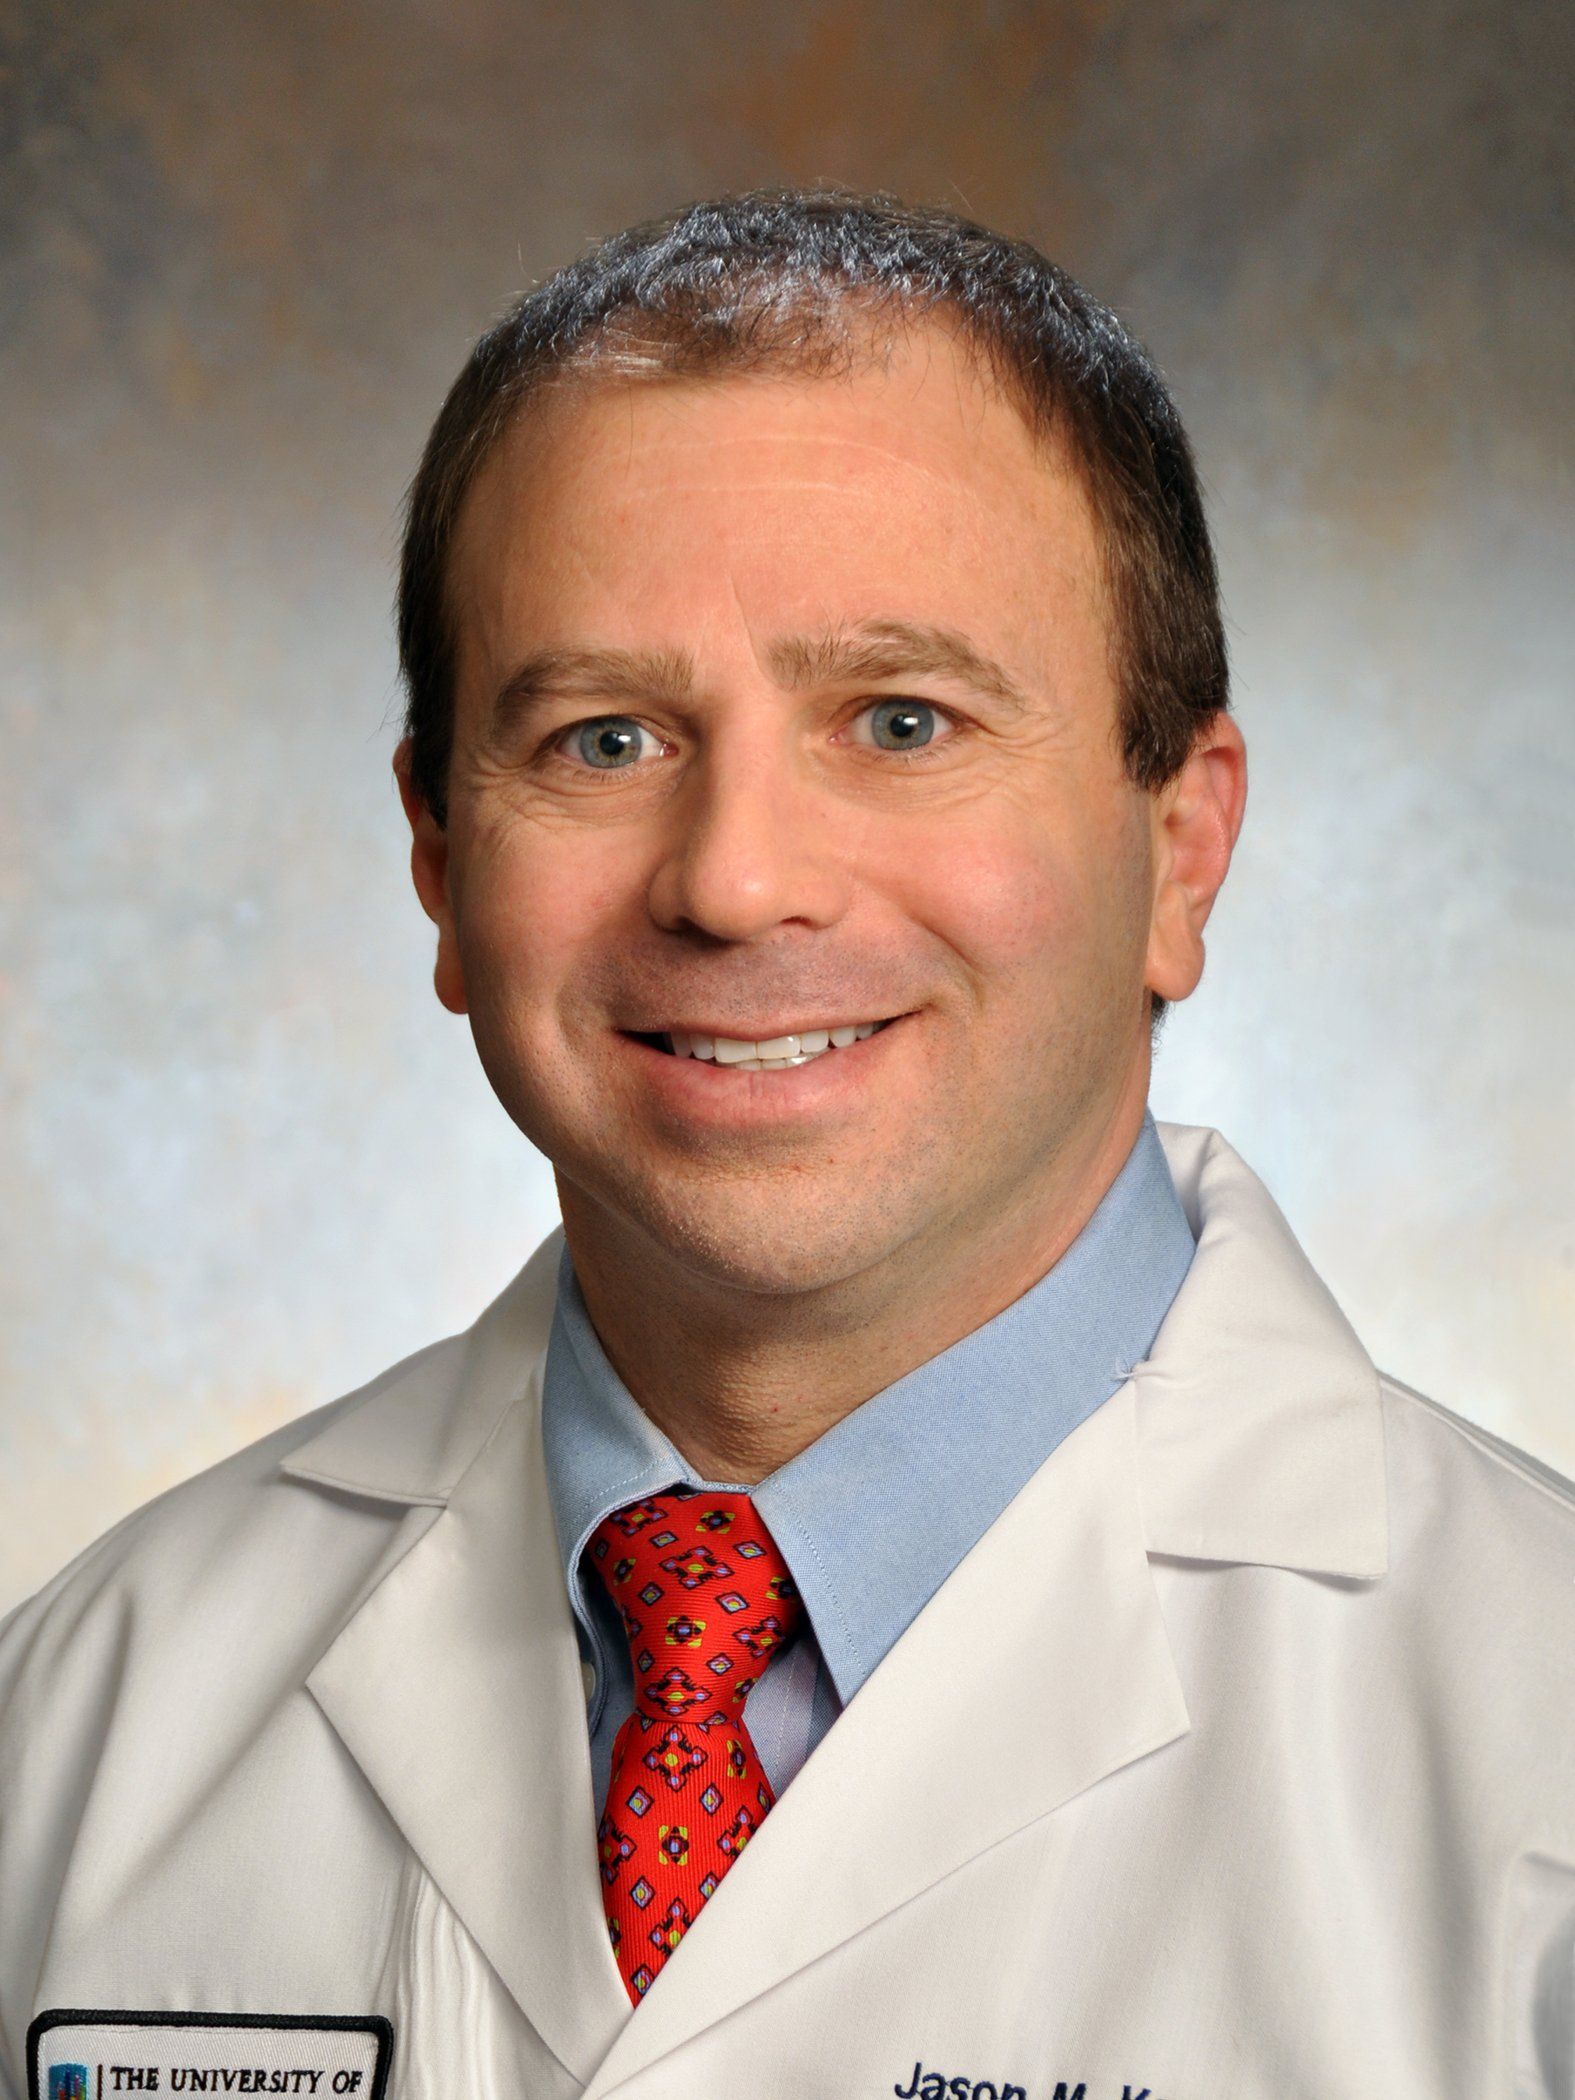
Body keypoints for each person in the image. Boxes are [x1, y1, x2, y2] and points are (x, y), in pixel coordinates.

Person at [2, 188, 1570, 2100]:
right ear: (438, 860)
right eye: (603, 740)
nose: (735, 882)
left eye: (901, 722)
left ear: (1181, 847)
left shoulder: (1534, 1758)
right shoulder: (77, 1727)